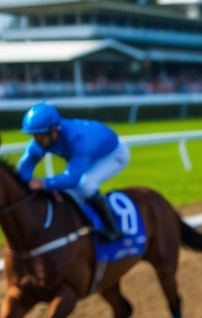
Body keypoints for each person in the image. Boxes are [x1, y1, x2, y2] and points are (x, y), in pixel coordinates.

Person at [16, 102, 129, 240]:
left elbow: (73, 178)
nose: (36, 141)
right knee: (70, 191)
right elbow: (25, 166)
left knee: (85, 185)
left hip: (115, 154)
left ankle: (112, 229)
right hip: (92, 154)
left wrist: (43, 183)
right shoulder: (44, 137)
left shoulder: (77, 138)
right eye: (34, 136)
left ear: (54, 130)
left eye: (40, 136)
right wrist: (23, 184)